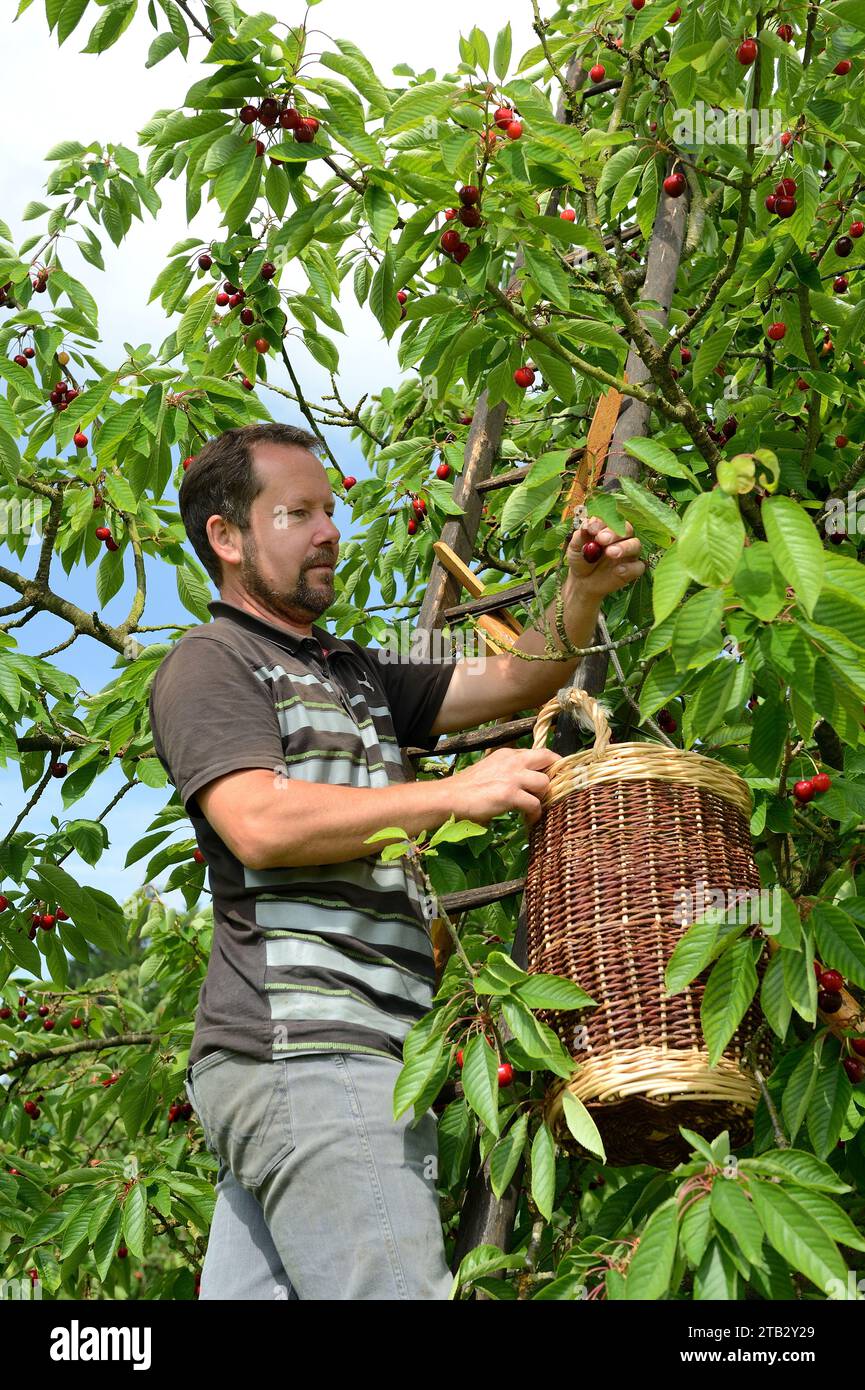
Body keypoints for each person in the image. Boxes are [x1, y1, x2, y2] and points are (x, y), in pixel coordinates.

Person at [148, 422, 644, 1300]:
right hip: (313, 1050)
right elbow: (259, 822)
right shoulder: (212, 662)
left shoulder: (356, 672)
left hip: (308, 1071)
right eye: (296, 512)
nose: (328, 531)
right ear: (226, 539)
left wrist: (580, 593)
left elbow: (514, 678)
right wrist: (453, 794)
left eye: (330, 511)